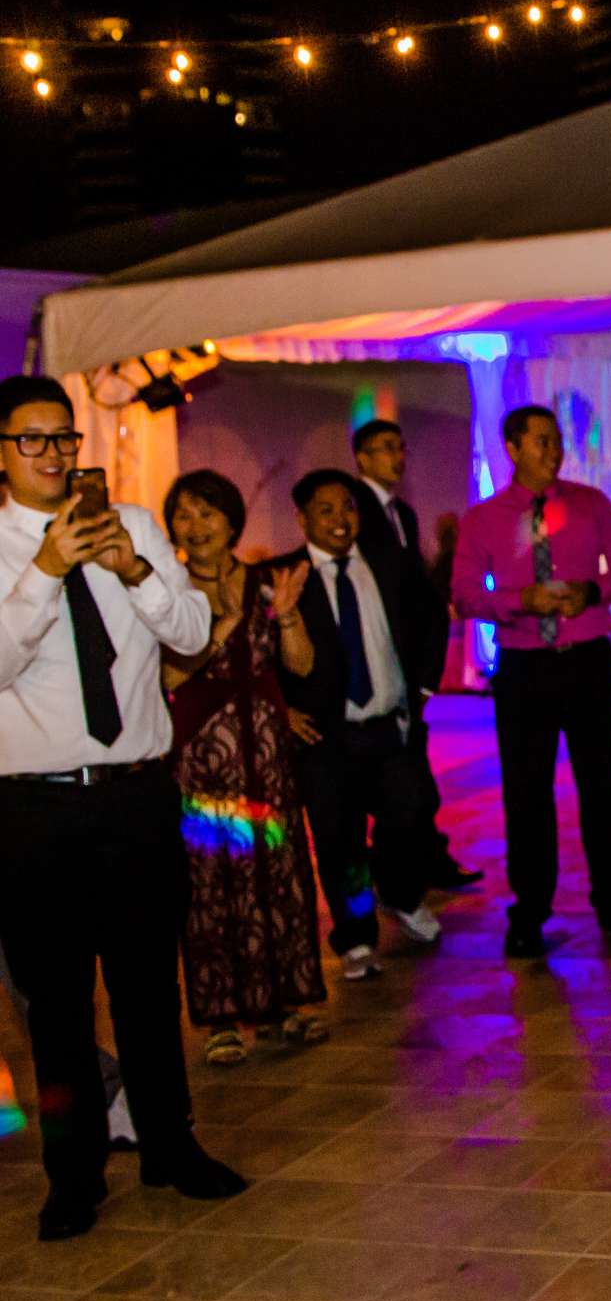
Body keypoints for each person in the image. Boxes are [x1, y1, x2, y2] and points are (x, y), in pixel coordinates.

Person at [0, 374, 247, 1241]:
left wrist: (132, 568)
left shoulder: (136, 525)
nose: (55, 455)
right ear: (3, 455)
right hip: (36, 813)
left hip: (139, 795)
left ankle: (171, 1148)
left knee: (148, 987)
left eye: (65, 438)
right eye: (33, 440)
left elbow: (188, 631)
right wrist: (45, 570)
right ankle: (74, 1177)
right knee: (58, 1005)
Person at [453, 405, 611, 956]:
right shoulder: (483, 519)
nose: (554, 450)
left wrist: (592, 592)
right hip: (524, 668)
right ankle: (530, 911)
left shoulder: (589, 503)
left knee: (602, 788)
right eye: (541, 441)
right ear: (512, 448)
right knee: (526, 793)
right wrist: (521, 601)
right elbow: (466, 594)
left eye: (557, 440)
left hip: (587, 659)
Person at [161, 471, 328, 1064]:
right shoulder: (167, 594)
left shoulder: (266, 583)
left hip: (267, 760)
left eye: (207, 513)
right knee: (211, 886)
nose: (196, 526)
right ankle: (222, 1019)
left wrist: (285, 617)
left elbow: (301, 666)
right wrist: (218, 634)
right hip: (203, 762)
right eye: (184, 514)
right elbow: (165, 679)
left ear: (232, 521)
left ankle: (288, 1002)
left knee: (278, 876)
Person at [277, 470, 443, 982]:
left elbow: (433, 615)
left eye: (347, 507)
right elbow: (259, 655)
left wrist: (425, 686)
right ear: (302, 518)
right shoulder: (285, 578)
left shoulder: (389, 562)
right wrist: (281, 706)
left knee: (413, 814)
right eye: (324, 510)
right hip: (328, 736)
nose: (339, 519)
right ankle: (356, 939)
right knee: (338, 839)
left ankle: (398, 894)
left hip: (391, 724)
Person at [350, 419, 480, 891]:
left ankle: (423, 861)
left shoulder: (400, 512)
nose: (398, 457)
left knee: (413, 771)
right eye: (386, 449)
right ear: (362, 457)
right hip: (376, 657)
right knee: (397, 779)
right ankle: (401, 871)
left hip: (406, 660)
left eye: (400, 447)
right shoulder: (355, 509)